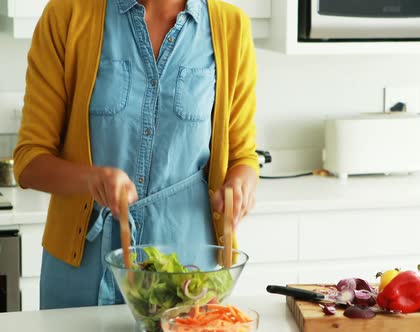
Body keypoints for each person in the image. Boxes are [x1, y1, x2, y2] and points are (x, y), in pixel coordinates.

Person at [13, 0, 258, 309]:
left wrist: (240, 185)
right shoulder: (67, 15)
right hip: (82, 273)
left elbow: (243, 157)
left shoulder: (231, 27)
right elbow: (29, 161)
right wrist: (92, 179)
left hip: (187, 273)